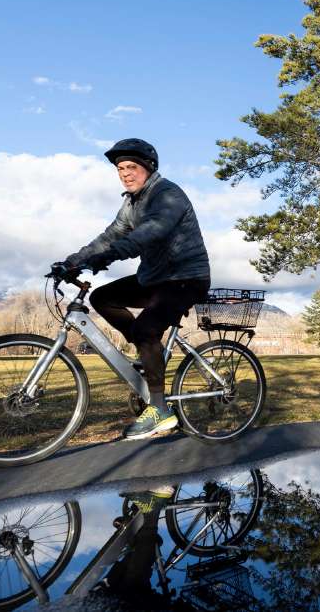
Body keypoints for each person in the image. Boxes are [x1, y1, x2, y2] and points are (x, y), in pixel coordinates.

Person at [53, 138, 210, 441]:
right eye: (120, 168)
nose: (125, 173)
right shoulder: (131, 203)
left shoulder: (168, 195)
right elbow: (109, 236)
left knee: (147, 329)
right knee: (102, 297)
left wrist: (108, 256)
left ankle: (161, 411)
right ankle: (147, 353)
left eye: (131, 167)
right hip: (154, 278)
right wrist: (73, 262)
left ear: (148, 168)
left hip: (185, 278)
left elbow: (150, 233)